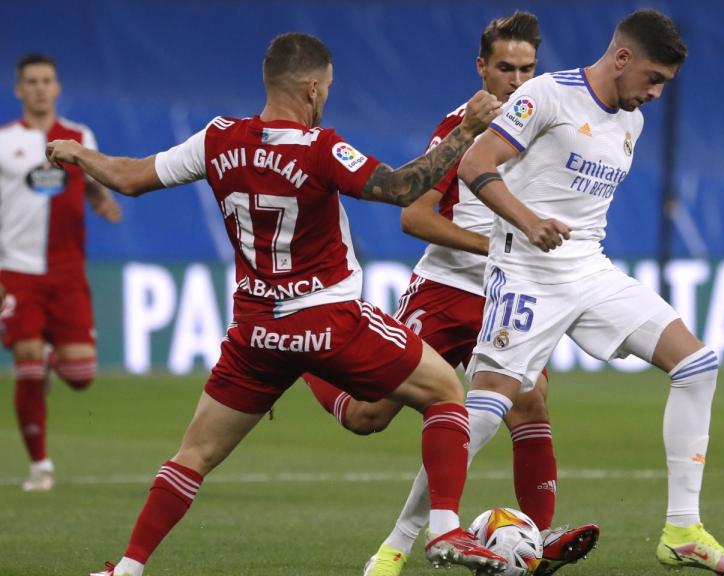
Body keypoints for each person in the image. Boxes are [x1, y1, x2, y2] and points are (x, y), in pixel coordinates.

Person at [46, 32, 509, 576]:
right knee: (446, 392)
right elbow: (403, 187)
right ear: (312, 88)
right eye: (328, 88)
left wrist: (79, 153)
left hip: (256, 333)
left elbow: (128, 177)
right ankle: (445, 531)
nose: (327, 98)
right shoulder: (320, 148)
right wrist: (465, 131)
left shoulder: (218, 139)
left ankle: (127, 567)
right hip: (331, 321)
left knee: (193, 456)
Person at [301, 13, 597, 576]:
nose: (515, 80)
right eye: (504, 68)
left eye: (526, 69)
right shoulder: (461, 126)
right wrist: (500, 245)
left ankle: (535, 539)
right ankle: (307, 358)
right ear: (481, 67)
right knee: (368, 416)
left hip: (508, 294)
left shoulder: (549, 122)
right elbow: (414, 218)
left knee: (530, 399)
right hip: (445, 288)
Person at [466, 8, 724, 573]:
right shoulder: (547, 94)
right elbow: (477, 163)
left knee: (697, 364)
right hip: (524, 269)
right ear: (622, 58)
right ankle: (404, 542)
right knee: (484, 411)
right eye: (653, 79)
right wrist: (529, 222)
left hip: (588, 271)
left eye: (664, 85)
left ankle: (682, 530)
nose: (655, 93)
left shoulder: (632, 121)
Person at [0, 53, 122, 492]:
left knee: (81, 376)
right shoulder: (3, 143)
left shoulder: (77, 137)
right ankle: (40, 466)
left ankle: (55, 361)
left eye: (46, 80)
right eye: (30, 81)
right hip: (17, 271)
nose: (38, 88)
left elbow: (91, 182)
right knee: (27, 359)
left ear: (57, 88)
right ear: (18, 89)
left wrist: (101, 202)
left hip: (69, 273)